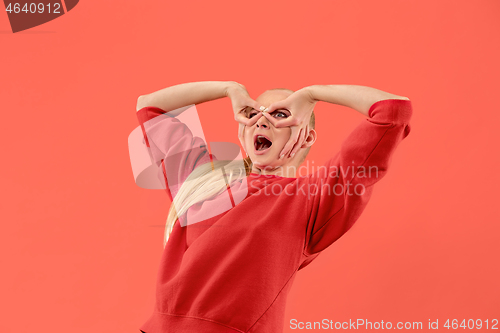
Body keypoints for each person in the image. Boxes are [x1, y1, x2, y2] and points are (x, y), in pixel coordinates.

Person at [134, 81, 412, 333]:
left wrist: (312, 94)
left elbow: (392, 112)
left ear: (306, 137)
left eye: (280, 114)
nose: (262, 121)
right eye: (254, 113)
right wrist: (229, 89)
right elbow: (150, 106)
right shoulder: (204, 180)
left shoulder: (314, 199)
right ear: (242, 131)